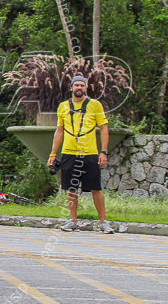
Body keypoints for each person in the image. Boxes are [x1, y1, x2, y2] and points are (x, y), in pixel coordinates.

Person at [47, 74, 116, 233]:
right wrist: (52, 154)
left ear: (86, 87)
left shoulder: (95, 105)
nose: (79, 88)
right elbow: (59, 130)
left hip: (89, 152)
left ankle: (104, 222)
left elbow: (104, 128)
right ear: (71, 88)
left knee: (96, 188)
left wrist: (103, 151)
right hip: (69, 152)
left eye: (82, 85)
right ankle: (72, 221)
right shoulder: (63, 106)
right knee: (71, 188)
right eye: (76, 85)